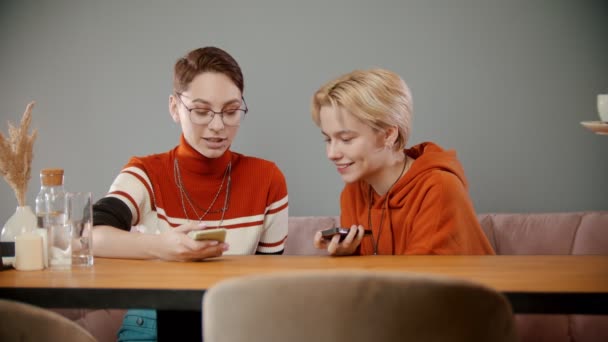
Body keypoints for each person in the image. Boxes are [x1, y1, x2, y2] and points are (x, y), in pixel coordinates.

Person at [91, 46, 288, 341]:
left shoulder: (267, 179)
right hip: (153, 323)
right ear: (174, 107)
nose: (218, 126)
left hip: (231, 322)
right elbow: (87, 235)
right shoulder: (145, 173)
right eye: (201, 111)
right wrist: (161, 247)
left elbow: (266, 285)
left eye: (231, 111)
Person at [311, 68, 493, 256]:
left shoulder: (438, 188)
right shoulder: (353, 191)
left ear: (388, 135)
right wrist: (346, 256)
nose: (331, 154)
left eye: (346, 139)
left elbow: (418, 282)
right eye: (328, 139)